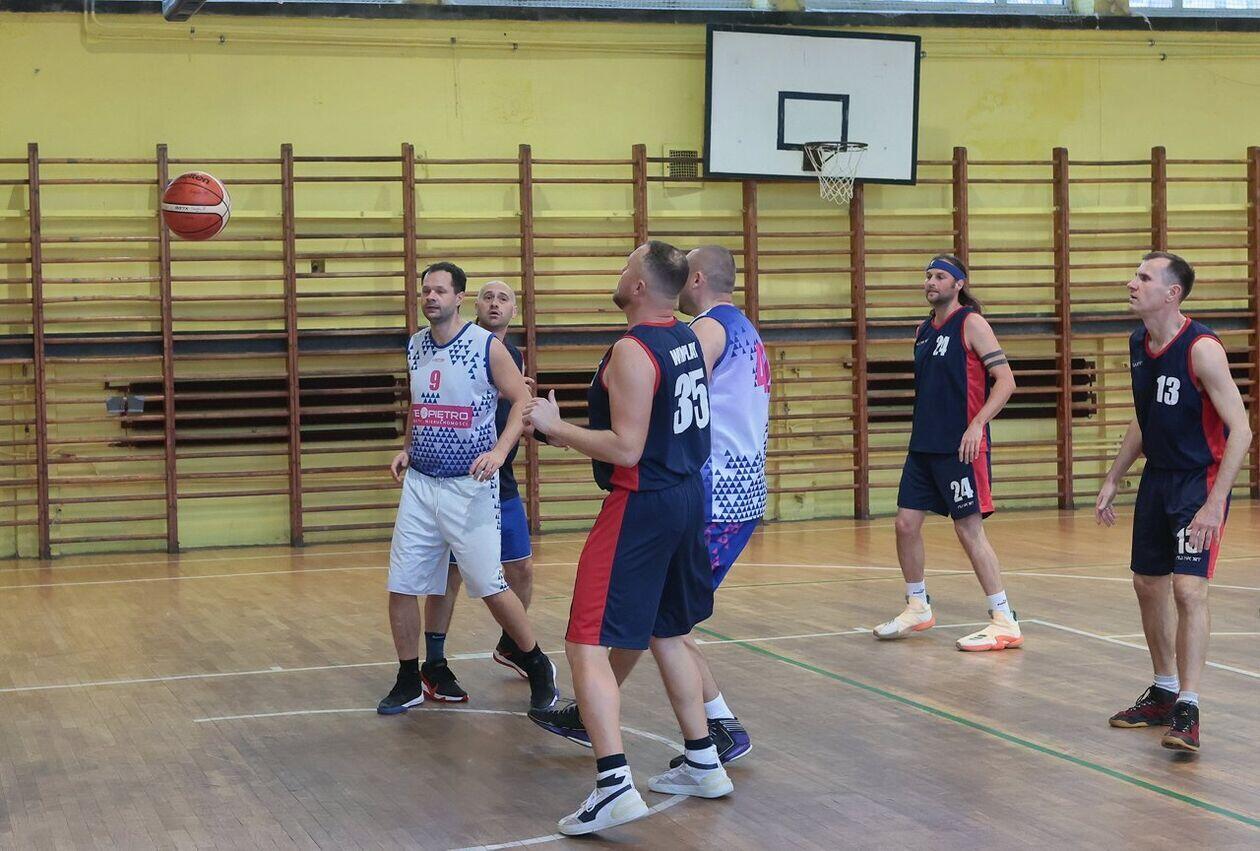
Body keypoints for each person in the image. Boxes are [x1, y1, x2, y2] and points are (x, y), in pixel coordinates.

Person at [525, 246, 769, 768]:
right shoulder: (689, 334)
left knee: (591, 638)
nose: (618, 273)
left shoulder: (660, 342)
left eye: (624, 268)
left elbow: (629, 446)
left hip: (670, 495)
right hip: (693, 491)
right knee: (667, 628)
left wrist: (558, 429)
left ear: (640, 286)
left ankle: (619, 772)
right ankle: (703, 757)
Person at [376, 262, 557, 715]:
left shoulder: (486, 347)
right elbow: (420, 404)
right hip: (421, 484)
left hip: (469, 486)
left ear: (459, 298)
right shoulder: (415, 345)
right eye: (426, 291)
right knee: (402, 584)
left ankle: (537, 664)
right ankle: (408, 678)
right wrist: (407, 448)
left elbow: (523, 401)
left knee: (490, 585)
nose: (431, 297)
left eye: (440, 291)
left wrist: (499, 450)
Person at [1097, 251, 1251, 752]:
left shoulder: (1202, 349)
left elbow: (1242, 429)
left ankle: (1189, 705)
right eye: (1134, 275)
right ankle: (1163, 691)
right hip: (1157, 479)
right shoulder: (1138, 342)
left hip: (1197, 482)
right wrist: (1114, 476)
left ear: (1172, 293)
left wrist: (1215, 502)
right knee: (1147, 583)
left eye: (1143, 277)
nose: (1132, 283)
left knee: (1188, 590)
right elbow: (1144, 418)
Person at [873, 254, 1022, 651]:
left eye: (940, 276)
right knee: (905, 524)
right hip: (923, 445)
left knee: (968, 530)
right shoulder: (923, 330)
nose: (931, 282)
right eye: (928, 276)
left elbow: (1006, 381)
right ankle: (917, 606)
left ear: (958, 284)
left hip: (960, 447)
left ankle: (1004, 618)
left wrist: (977, 425)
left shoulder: (971, 323)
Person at [417, 280, 542, 703]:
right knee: (449, 573)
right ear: (473, 304)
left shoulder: (512, 356)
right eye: (487, 296)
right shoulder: (462, 346)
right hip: (460, 477)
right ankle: (434, 663)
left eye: (503, 298)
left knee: (520, 567)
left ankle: (513, 644)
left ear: (514, 310)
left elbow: (518, 411)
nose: (494, 303)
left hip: (499, 476)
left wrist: (544, 422)